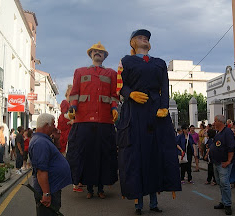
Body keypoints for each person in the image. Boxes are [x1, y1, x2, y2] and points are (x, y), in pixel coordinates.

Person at [117, 29, 181, 215]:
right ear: (132, 43)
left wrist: (164, 107)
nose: (145, 38)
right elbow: (119, 85)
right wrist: (130, 94)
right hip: (134, 112)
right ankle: (138, 203)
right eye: (140, 37)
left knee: (155, 155)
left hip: (155, 113)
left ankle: (153, 202)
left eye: (147, 37)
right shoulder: (125, 61)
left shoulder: (159, 63)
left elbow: (164, 86)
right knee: (136, 156)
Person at [67, 41, 119, 199]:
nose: (98, 53)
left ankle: (101, 188)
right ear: (90, 55)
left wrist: (114, 108)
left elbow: (113, 96)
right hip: (83, 119)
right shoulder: (80, 72)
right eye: (95, 51)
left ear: (104, 56)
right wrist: (72, 108)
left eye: (101, 52)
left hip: (104, 120)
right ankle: (89, 188)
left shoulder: (111, 74)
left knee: (104, 155)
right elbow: (74, 93)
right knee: (86, 155)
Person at [29, 113, 72, 216]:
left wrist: (57, 139)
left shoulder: (44, 140)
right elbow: (41, 171)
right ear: (46, 125)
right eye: (53, 124)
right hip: (49, 189)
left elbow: (54, 156)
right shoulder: (40, 143)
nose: (54, 127)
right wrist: (46, 193)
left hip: (53, 187)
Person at [210, 115, 235, 215]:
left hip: (223, 163)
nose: (213, 123)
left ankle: (228, 204)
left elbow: (231, 147)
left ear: (220, 121)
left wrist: (228, 161)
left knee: (224, 183)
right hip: (216, 162)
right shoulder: (218, 133)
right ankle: (223, 201)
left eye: (215, 121)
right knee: (220, 183)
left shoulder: (227, 132)